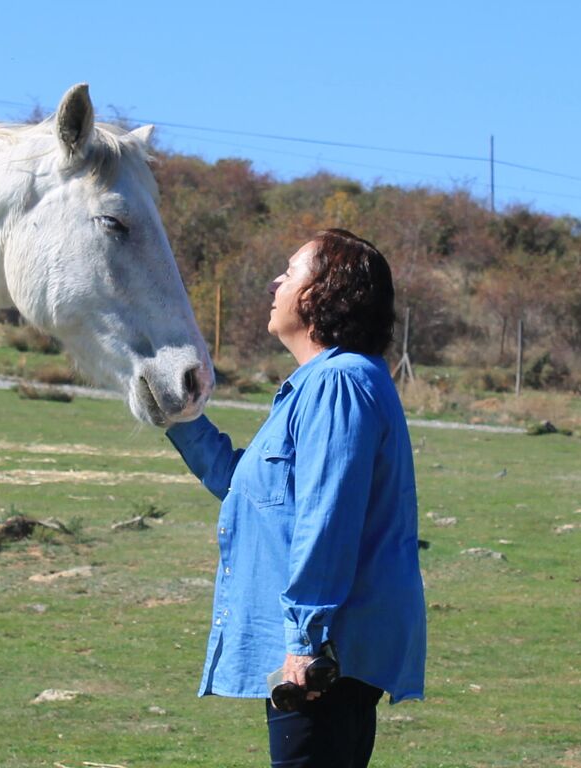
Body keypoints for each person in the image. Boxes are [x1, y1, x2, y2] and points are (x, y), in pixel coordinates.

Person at [166, 229, 425, 768]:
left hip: (326, 657)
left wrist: (306, 640)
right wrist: (178, 416)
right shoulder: (322, 382)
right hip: (324, 653)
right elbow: (249, 489)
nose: (274, 284)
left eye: (289, 273)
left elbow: (328, 517)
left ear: (324, 293)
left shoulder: (338, 383)